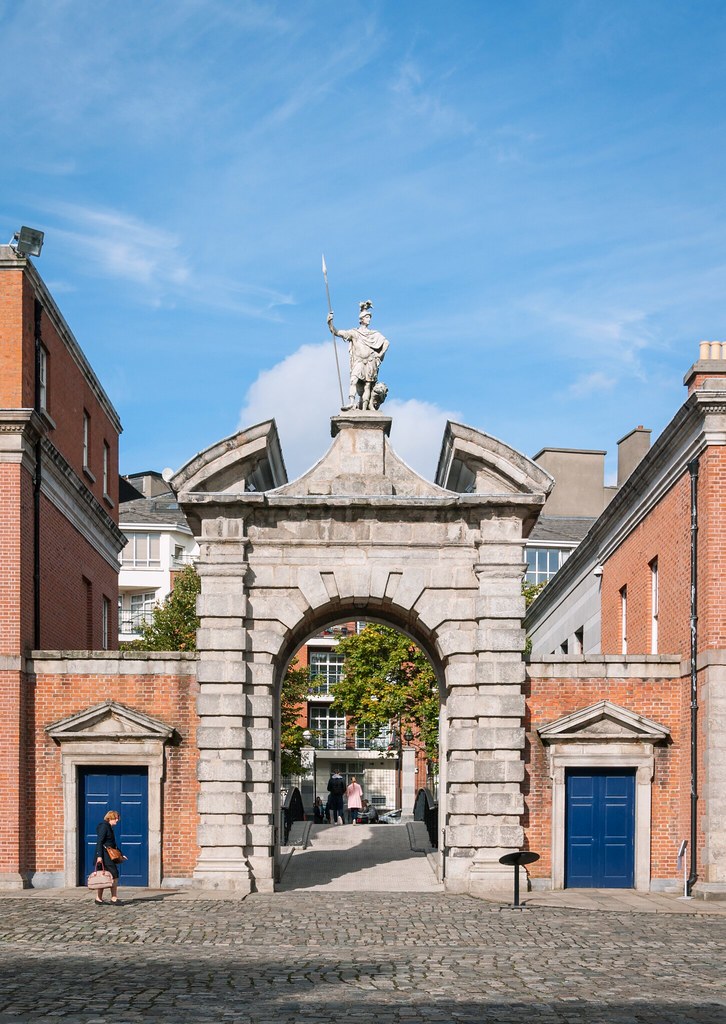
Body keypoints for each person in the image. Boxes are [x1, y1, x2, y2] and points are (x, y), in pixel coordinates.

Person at [327, 301, 390, 411]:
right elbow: (336, 332)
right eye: (367, 317)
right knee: (353, 380)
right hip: (359, 361)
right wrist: (330, 323)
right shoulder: (354, 333)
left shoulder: (373, 334)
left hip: (370, 361)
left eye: (369, 317)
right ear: (361, 319)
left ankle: (365, 407)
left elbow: (386, 343)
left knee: (367, 386)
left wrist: (380, 354)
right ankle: (351, 402)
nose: (369, 319)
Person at [93, 809, 127, 906]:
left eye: (117, 818)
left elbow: (112, 844)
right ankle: (114, 898)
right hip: (104, 856)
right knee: (114, 875)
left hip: (106, 856)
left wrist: (120, 854)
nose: (117, 820)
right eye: (115, 818)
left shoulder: (109, 828)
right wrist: (99, 856)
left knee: (102, 877)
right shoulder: (104, 827)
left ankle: (98, 899)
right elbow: (99, 842)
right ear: (110, 818)